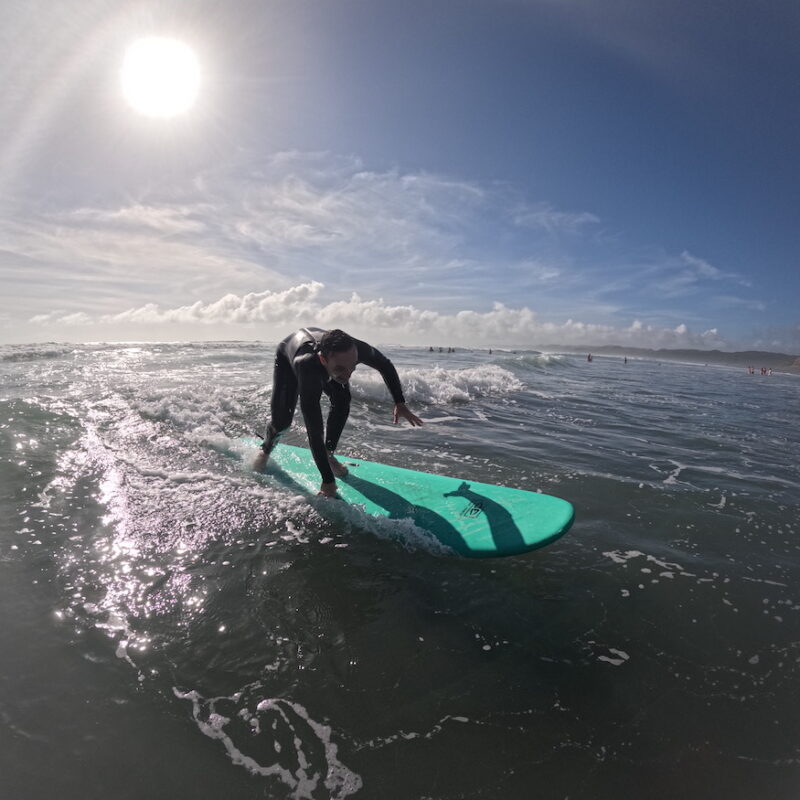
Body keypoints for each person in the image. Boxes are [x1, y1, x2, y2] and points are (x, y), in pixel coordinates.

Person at [255, 328, 423, 497]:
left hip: (326, 363)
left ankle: (329, 454)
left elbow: (385, 364)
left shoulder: (356, 350)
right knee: (282, 422)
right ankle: (265, 450)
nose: (348, 375)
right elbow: (314, 430)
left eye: (352, 367)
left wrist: (399, 402)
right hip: (288, 357)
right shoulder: (307, 365)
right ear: (323, 359)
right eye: (341, 369)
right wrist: (327, 481)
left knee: (342, 399)